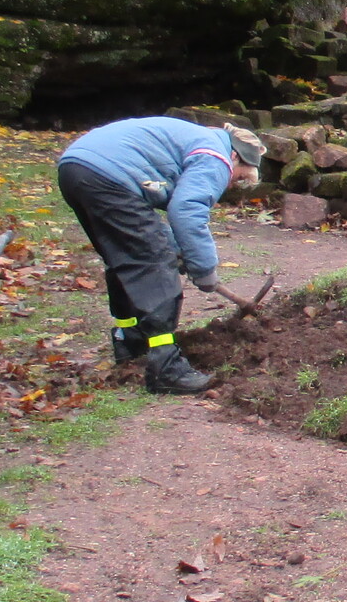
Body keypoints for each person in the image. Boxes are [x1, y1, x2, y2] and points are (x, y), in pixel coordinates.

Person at [56, 116, 267, 395]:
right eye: (238, 177)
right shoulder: (217, 157)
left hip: (76, 169)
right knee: (155, 264)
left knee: (124, 257)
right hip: (108, 177)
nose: (229, 185)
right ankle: (166, 368)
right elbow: (187, 212)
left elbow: (159, 218)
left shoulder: (196, 140)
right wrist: (204, 270)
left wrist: (179, 249)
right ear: (235, 157)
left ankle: (129, 341)